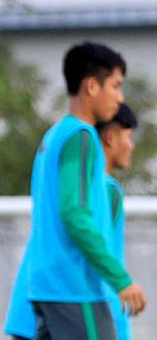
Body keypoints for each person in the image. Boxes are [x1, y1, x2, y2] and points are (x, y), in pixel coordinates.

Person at [3, 42, 146, 340]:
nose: (119, 98)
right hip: (74, 290)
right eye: (116, 87)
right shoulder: (82, 137)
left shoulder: (52, 136)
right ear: (92, 86)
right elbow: (75, 214)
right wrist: (121, 280)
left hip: (43, 289)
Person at [97, 103, 139, 340]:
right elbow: (100, 251)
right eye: (129, 137)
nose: (131, 146)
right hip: (102, 311)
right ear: (110, 137)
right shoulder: (106, 190)